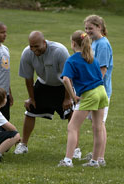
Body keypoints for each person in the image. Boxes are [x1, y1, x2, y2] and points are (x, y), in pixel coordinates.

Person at [14, 31, 72, 154]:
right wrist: (31, 98)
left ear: (44, 43)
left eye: (37, 46)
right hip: (43, 84)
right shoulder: (27, 53)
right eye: (31, 46)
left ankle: (75, 149)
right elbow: (28, 78)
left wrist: (68, 98)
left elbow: (68, 76)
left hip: (62, 85)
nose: (34, 49)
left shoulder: (59, 51)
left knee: (71, 114)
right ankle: (23, 144)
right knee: (30, 110)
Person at [58, 30, 108, 167]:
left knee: (72, 127)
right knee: (98, 127)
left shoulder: (72, 60)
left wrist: (73, 96)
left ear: (73, 43)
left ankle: (67, 161)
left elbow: (66, 79)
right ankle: (95, 161)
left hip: (90, 94)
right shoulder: (93, 59)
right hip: (102, 92)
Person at [74, 15, 113, 165]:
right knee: (97, 124)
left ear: (100, 27)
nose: (88, 31)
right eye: (86, 28)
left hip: (99, 90)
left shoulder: (102, 44)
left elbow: (102, 70)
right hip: (94, 90)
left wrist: (90, 86)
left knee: (99, 125)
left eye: (91, 28)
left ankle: (100, 158)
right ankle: (98, 155)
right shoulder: (95, 42)